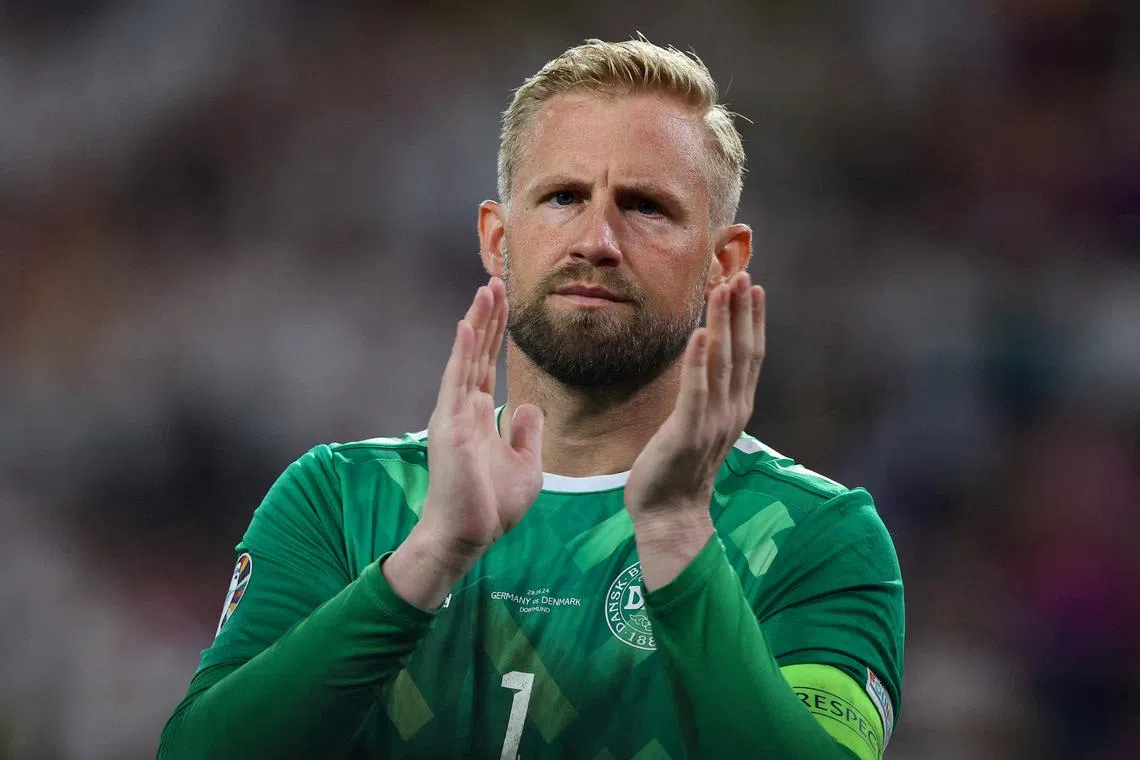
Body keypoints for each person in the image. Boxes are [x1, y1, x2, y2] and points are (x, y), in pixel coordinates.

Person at [159, 38, 904, 760]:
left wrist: (678, 531)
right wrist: (428, 558)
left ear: (722, 261)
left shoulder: (815, 538)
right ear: (497, 237)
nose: (597, 239)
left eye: (646, 206)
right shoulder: (343, 502)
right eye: (563, 197)